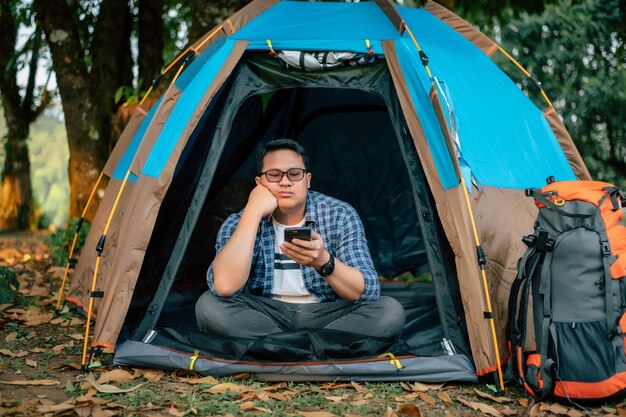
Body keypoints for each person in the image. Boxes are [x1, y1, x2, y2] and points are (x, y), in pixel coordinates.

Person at [195, 139, 405, 341]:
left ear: (308, 180)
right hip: (264, 314)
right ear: (259, 183)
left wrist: (323, 261)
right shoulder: (238, 222)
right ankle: (314, 349)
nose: (285, 182)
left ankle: (279, 348)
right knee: (209, 307)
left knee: (389, 312)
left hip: (326, 315)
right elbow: (224, 286)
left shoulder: (339, 214)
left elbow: (367, 291)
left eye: (295, 174)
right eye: (274, 175)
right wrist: (253, 211)